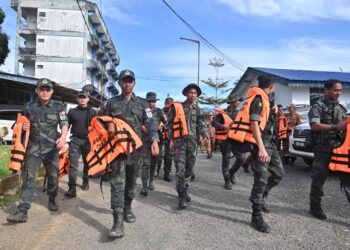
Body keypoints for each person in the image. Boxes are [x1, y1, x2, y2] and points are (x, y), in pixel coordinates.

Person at [103, 69, 159, 238]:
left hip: (135, 151)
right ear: (119, 83)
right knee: (117, 183)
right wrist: (109, 124)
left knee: (131, 184)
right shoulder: (111, 103)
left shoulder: (142, 104)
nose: (127, 83)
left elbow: (151, 124)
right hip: (117, 151)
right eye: (124, 80)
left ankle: (127, 207)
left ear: (134, 83)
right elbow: (101, 122)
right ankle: (117, 220)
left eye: (130, 81)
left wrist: (155, 140)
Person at [7, 78, 68, 223]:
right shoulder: (28, 107)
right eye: (42, 89)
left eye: (48, 89)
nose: (45, 92)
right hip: (33, 149)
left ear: (52, 91)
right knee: (29, 179)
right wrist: (23, 127)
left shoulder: (59, 107)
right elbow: (19, 124)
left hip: (52, 149)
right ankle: (23, 210)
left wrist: (64, 137)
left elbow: (64, 123)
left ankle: (52, 199)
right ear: (37, 90)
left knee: (53, 177)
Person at [308, 79, 347, 220]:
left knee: (347, 178)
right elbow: (314, 126)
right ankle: (315, 206)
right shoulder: (317, 106)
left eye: (340, 90)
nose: (338, 93)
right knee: (319, 178)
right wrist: (337, 127)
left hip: (339, 148)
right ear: (326, 90)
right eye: (336, 90)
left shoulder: (341, 109)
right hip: (323, 148)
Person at [168, 83, 209, 209]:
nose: (193, 95)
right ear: (186, 94)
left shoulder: (198, 110)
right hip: (179, 142)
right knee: (180, 168)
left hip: (192, 143)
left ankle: (184, 189)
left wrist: (206, 135)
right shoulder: (177, 107)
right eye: (190, 92)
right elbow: (170, 125)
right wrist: (170, 140)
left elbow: (201, 124)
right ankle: (181, 195)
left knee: (189, 168)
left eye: (195, 93)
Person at [64, 90, 97, 198]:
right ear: (77, 99)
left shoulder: (92, 112)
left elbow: (97, 127)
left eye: (84, 97)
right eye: (80, 97)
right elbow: (66, 125)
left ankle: (85, 181)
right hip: (75, 141)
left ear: (88, 99)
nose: (82, 99)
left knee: (87, 164)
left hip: (88, 141)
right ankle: (72, 188)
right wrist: (63, 137)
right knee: (73, 165)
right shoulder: (72, 111)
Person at [212, 94, 247, 190]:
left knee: (242, 158)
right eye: (237, 101)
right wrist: (224, 126)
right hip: (225, 141)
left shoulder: (240, 112)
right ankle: (227, 181)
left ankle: (232, 172)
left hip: (236, 140)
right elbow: (213, 123)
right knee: (226, 161)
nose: (239, 102)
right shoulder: (222, 113)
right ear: (232, 102)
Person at [140, 92, 167, 196]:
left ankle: (151, 181)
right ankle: (144, 186)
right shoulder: (143, 111)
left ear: (155, 101)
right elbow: (138, 122)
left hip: (157, 140)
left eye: (153, 101)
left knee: (154, 162)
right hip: (145, 140)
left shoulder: (159, 111)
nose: (151, 103)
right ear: (147, 101)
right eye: (149, 101)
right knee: (145, 163)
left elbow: (166, 123)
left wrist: (161, 127)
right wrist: (142, 126)